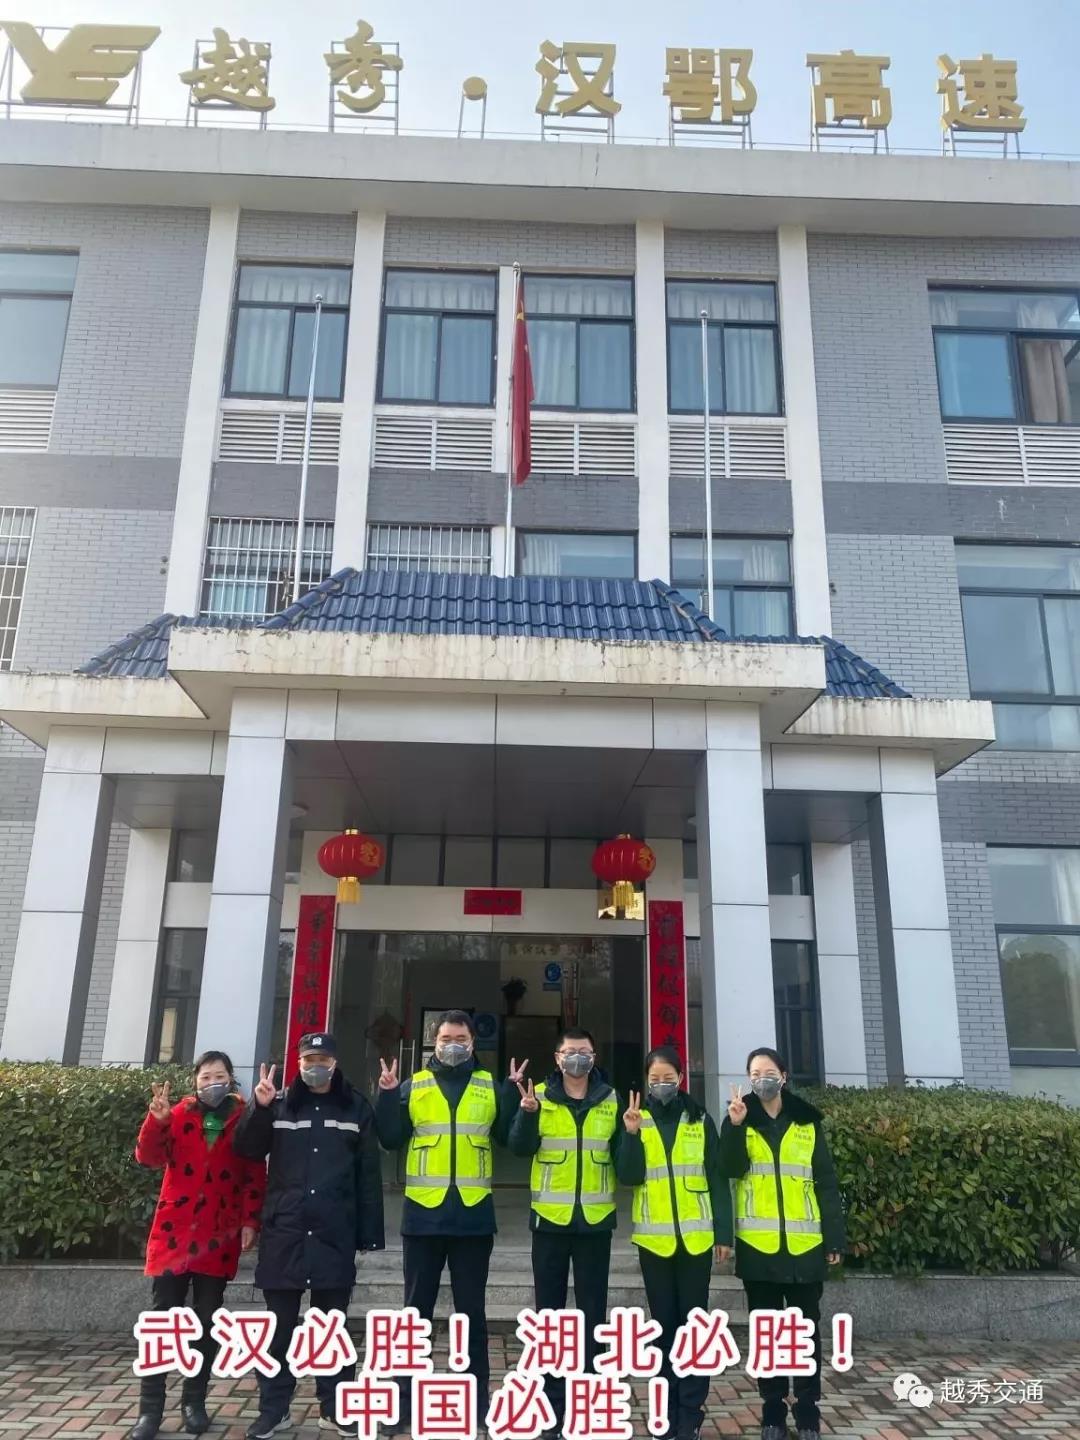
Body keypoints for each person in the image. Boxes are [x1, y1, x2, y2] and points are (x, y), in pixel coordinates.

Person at [233, 1032, 384, 1440]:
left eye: (323, 1059)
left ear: (335, 1063)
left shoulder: (355, 1107)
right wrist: (258, 1108)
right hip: (285, 1230)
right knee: (278, 1328)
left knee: (330, 1327)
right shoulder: (279, 1104)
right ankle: (274, 1409)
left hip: (334, 1231)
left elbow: (368, 1173)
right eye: (308, 1059)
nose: (315, 1065)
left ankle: (334, 1408)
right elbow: (247, 1149)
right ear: (298, 1063)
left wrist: (368, 1233)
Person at [376, 1010, 521, 1430]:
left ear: (473, 1043)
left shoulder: (488, 1086)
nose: (453, 1045)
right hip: (423, 1219)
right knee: (414, 1314)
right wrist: (387, 1095)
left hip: (473, 1220)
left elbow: (509, 1139)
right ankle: (403, 1401)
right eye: (446, 1039)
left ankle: (477, 1402)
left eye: (460, 1039)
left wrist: (515, 1098)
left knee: (471, 1313)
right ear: (434, 1042)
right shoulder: (413, 1086)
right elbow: (390, 1138)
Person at [129, 1051, 266, 1440]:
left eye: (219, 1076)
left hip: (217, 1234)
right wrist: (155, 1121)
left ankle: (194, 1402)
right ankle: (150, 1410)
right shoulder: (177, 1114)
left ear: (231, 1079)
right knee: (163, 1321)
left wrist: (250, 1220)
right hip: (174, 1232)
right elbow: (149, 1157)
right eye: (205, 1077)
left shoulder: (243, 1118)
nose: (212, 1083)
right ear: (195, 1081)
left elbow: (254, 1173)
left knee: (206, 1321)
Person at [719, 1047, 845, 1440]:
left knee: (806, 1333)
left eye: (769, 1072)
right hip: (759, 1249)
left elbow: (826, 1182)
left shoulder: (807, 1121)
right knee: (768, 1335)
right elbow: (729, 1169)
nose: (763, 1080)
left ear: (784, 1076)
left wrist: (833, 1237)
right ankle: (772, 1411)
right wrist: (735, 1126)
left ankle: (807, 1412)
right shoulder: (739, 1118)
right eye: (755, 1074)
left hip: (805, 1247)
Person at [613, 1047, 732, 1440]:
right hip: (655, 1244)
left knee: (694, 1328)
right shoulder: (636, 1118)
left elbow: (716, 1177)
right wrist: (631, 1135)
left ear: (681, 1078)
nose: (662, 1084)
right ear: (646, 1081)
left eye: (668, 1078)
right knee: (664, 1328)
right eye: (655, 1079)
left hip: (696, 1242)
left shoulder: (699, 1119)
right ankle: (666, 1411)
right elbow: (629, 1176)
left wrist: (724, 1234)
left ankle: (691, 1412)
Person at [507, 1026, 620, 1434]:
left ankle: (589, 1400)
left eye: (584, 1052)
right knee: (550, 1316)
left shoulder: (611, 1099)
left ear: (594, 1057)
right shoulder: (538, 1096)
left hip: (595, 1223)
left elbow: (623, 1158)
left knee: (592, 1315)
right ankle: (552, 1406)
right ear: (557, 1058)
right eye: (570, 1052)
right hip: (550, 1223)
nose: (577, 1058)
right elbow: (519, 1148)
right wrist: (526, 1114)